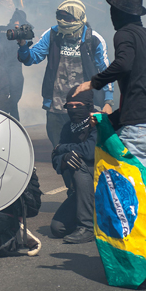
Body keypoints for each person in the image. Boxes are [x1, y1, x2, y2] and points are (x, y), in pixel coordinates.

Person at [76, 0, 146, 178]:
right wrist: (109, 120)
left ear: (120, 13)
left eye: (113, 10)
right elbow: (144, 93)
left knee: (129, 197)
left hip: (143, 131)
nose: (111, 15)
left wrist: (93, 83)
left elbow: (123, 64)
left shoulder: (124, 34)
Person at [17, 0, 113, 148]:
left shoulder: (93, 39)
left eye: (67, 17)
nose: (62, 21)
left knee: (84, 152)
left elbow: (105, 72)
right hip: (56, 107)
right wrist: (22, 45)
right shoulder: (52, 34)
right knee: (60, 151)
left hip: (84, 108)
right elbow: (31, 59)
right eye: (59, 16)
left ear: (79, 18)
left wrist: (108, 102)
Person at [50, 86, 97, 244]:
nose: (74, 110)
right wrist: (64, 158)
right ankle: (90, 214)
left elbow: (89, 151)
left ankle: (87, 227)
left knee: (79, 162)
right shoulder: (67, 127)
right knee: (58, 228)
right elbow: (55, 157)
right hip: (80, 192)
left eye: (78, 106)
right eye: (70, 106)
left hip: (105, 185)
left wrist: (63, 149)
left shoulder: (99, 121)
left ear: (89, 106)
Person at [0, 9, 28, 120]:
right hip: (12, 67)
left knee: (8, 95)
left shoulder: (3, 28)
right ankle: (1, 114)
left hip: (3, 67)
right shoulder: (22, 31)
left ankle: (11, 119)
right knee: (14, 95)